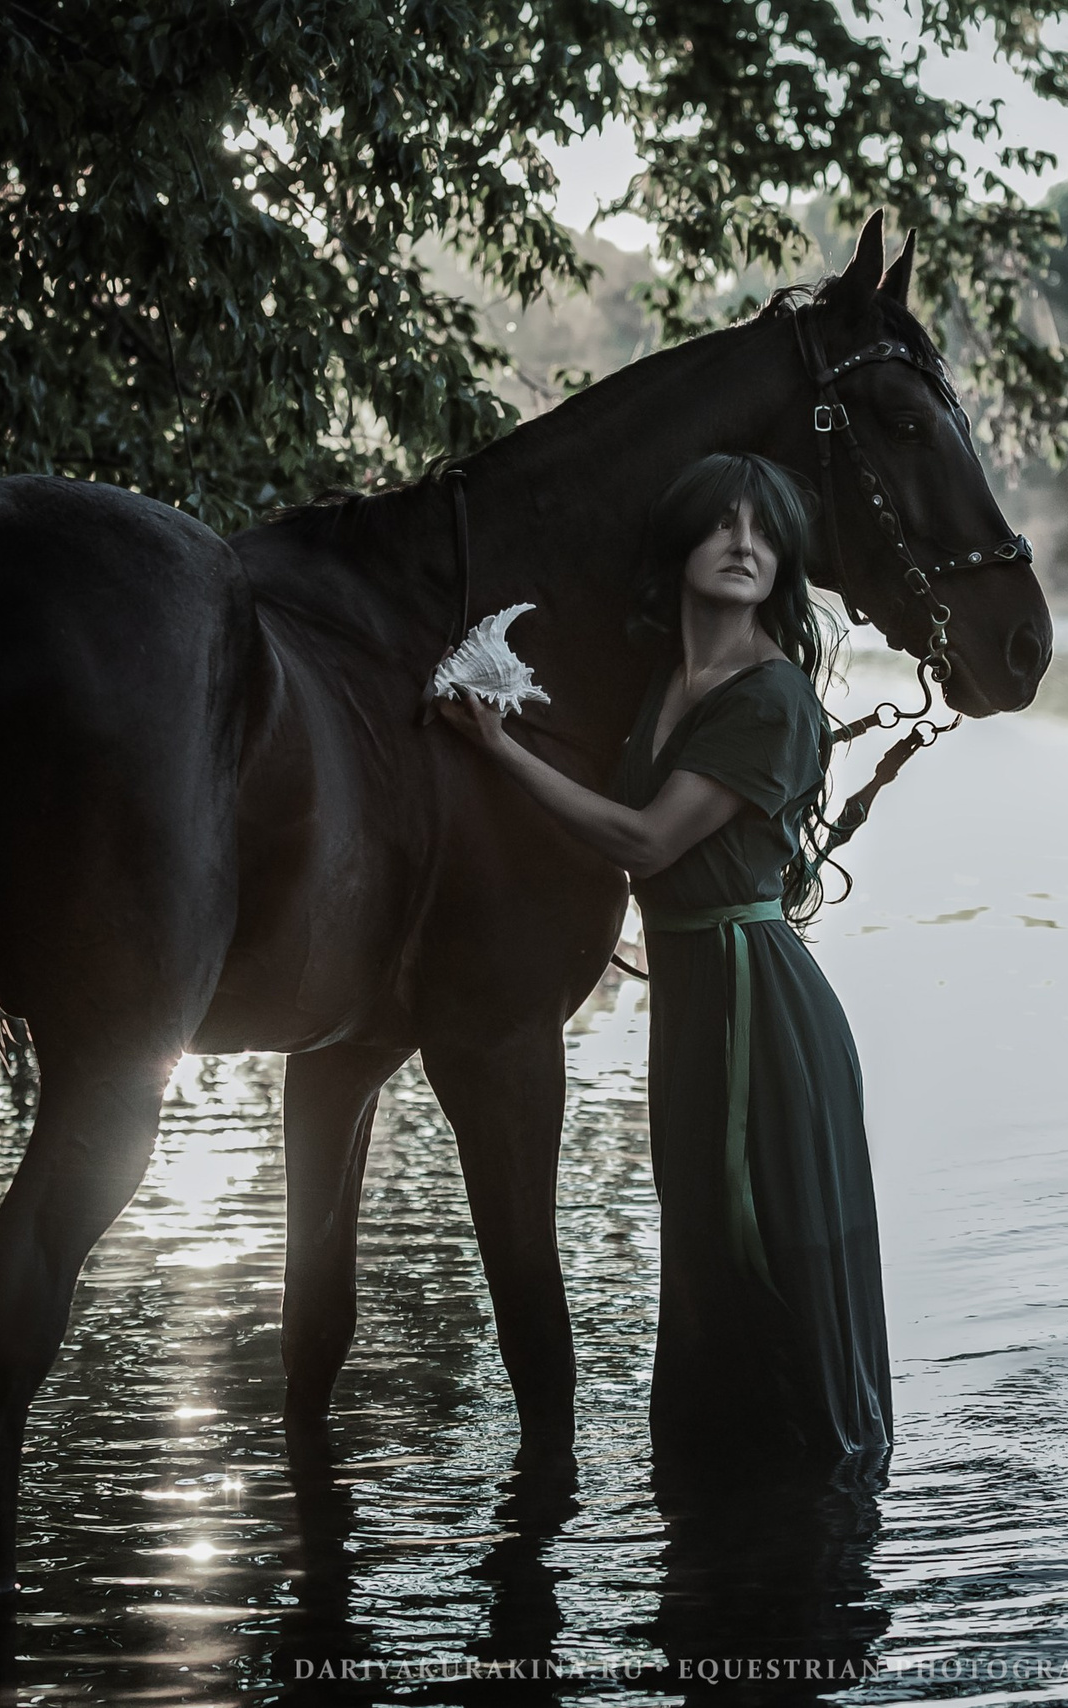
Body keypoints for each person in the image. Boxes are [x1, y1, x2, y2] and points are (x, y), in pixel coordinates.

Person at [437, 451, 893, 1483]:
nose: (743, 545)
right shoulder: (667, 682)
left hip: (756, 1002)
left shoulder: (770, 695)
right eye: (722, 525)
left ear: (784, 565)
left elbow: (643, 843)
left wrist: (498, 750)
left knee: (760, 1241)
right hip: (695, 994)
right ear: (681, 544)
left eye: (764, 532)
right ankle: (714, 1500)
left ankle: (811, 1504)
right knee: (699, 1249)